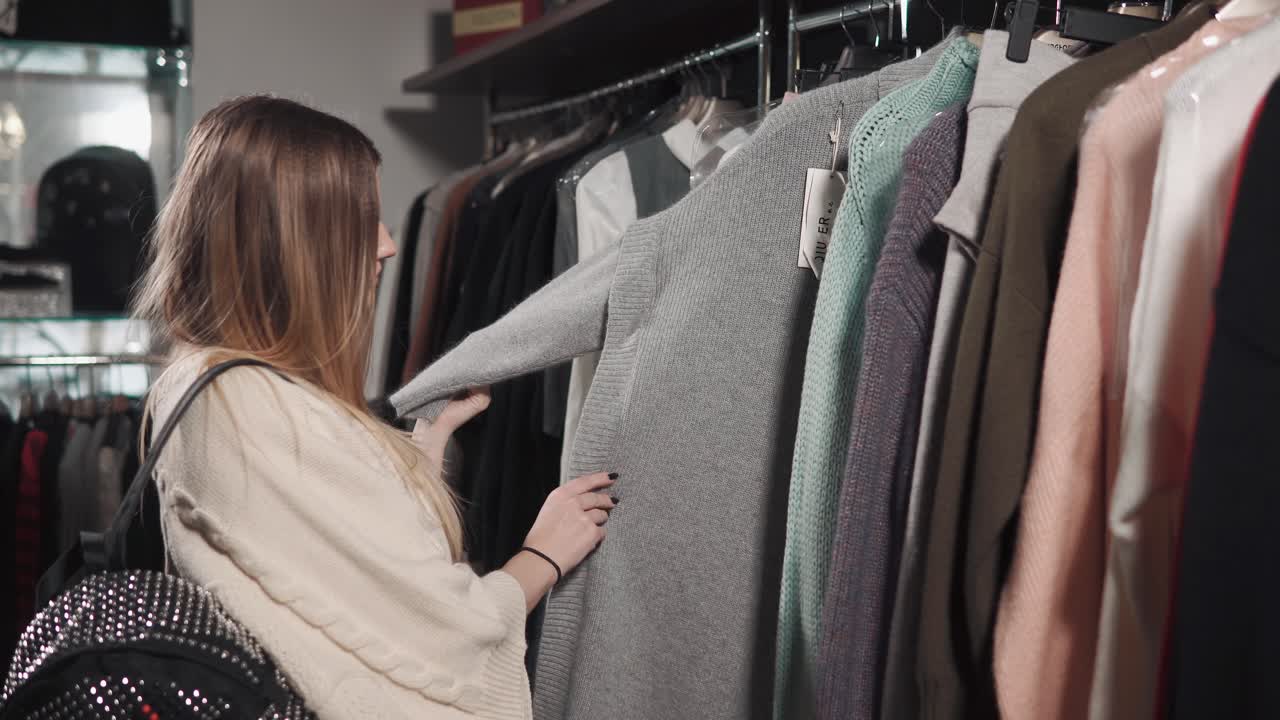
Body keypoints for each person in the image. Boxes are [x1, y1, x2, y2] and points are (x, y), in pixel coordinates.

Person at [133, 95, 615, 719]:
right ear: (292, 240)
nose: (387, 245)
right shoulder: (249, 407)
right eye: (363, 220)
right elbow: (435, 630)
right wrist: (540, 558)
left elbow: (336, 576)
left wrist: (422, 448)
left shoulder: (207, 382)